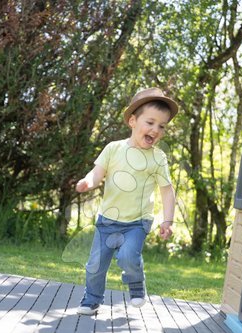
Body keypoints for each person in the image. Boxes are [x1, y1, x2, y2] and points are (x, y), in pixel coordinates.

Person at [75, 87, 178, 315]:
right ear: (133, 121)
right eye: (150, 122)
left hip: (137, 222)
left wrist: (167, 220)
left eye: (161, 126)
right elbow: (97, 173)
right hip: (107, 221)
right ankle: (91, 300)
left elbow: (167, 190)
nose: (156, 130)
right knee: (95, 266)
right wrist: (87, 182)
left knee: (128, 256)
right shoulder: (113, 149)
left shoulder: (158, 158)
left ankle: (136, 286)